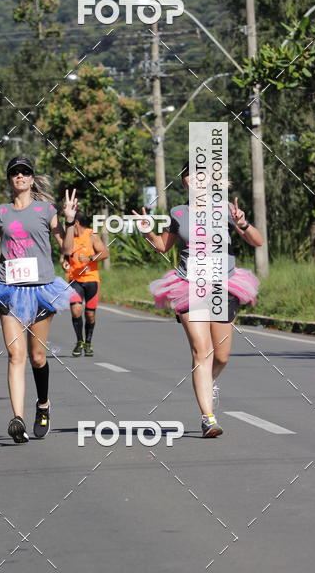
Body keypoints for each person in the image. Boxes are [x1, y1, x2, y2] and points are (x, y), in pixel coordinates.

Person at [0, 156, 78, 443]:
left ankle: (43, 404)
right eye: (15, 173)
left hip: (41, 289)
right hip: (8, 288)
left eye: (25, 172)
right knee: (15, 355)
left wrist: (70, 221)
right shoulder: (0, 212)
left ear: (32, 178)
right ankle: (18, 419)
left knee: (37, 357)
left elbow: (67, 248)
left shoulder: (46, 210)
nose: (20, 176)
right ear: (10, 179)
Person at [138, 163, 262, 438]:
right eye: (189, 174)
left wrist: (242, 223)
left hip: (224, 285)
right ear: (184, 182)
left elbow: (257, 241)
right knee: (201, 351)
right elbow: (162, 246)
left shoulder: (226, 209)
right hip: (188, 286)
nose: (195, 178)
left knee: (221, 355)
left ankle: (209, 381)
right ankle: (208, 417)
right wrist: (147, 231)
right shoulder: (178, 213)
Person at [62, 210, 108, 357]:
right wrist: (65, 263)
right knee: (76, 310)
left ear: (76, 223)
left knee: (89, 315)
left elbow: (105, 253)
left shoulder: (91, 235)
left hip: (91, 279)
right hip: (74, 280)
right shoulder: (69, 237)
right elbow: (65, 256)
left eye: (69, 223)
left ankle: (88, 341)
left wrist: (90, 258)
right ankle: (79, 341)